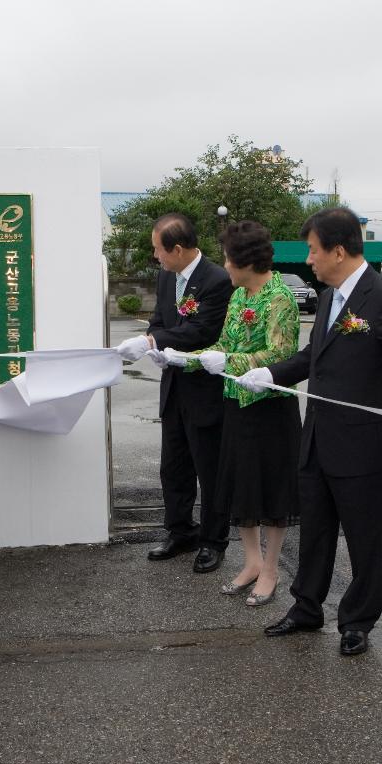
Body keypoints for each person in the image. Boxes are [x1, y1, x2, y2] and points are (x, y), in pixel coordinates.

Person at [236, 207, 382, 656]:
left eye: (312, 250)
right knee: (317, 532)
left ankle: (358, 621)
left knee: (365, 539)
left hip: (364, 445)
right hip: (318, 438)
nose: (308, 260)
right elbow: (313, 358)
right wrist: (268, 373)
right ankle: (307, 607)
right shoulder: (328, 297)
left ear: (339, 250)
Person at [158, 221, 300, 606]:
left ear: (244, 261)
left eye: (228, 258)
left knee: (271, 492)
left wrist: (230, 359)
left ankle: (270, 570)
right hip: (235, 402)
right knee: (241, 486)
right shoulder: (239, 297)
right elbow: (222, 343)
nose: (224, 265)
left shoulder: (279, 298)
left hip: (269, 409)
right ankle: (251, 562)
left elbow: (281, 355)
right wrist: (184, 359)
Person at [115, 213, 233, 573]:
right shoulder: (167, 277)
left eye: (158, 250)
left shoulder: (216, 280)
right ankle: (180, 530)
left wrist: (153, 341)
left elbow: (201, 330)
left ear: (178, 249)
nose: (156, 258)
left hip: (205, 388)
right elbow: (160, 321)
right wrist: (154, 343)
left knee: (208, 468)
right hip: (174, 387)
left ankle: (214, 540)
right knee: (174, 467)